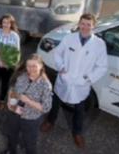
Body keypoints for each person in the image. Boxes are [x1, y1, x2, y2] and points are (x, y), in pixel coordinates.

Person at [39, 13, 108, 148]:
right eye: (82, 24)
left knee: (80, 109)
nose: (85, 27)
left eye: (88, 24)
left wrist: (88, 78)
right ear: (79, 24)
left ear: (94, 26)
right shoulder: (69, 38)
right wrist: (61, 67)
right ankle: (50, 121)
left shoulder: (99, 45)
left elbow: (102, 66)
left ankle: (77, 132)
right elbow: (58, 54)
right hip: (64, 78)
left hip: (81, 84)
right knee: (56, 102)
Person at [3, 54, 53, 154]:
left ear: (41, 66)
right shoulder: (22, 76)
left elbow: (46, 107)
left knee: (30, 143)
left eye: (34, 66)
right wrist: (10, 99)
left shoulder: (45, 85)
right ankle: (11, 151)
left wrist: (28, 101)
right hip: (14, 114)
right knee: (11, 136)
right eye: (28, 66)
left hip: (30, 119)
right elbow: (13, 89)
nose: (31, 69)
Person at [0, 14, 21, 111]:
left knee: (5, 83)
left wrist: (13, 63)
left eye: (8, 23)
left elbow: (17, 51)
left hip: (8, 65)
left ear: (11, 24)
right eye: (4, 22)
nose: (5, 25)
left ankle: (2, 100)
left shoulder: (15, 36)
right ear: (1, 23)